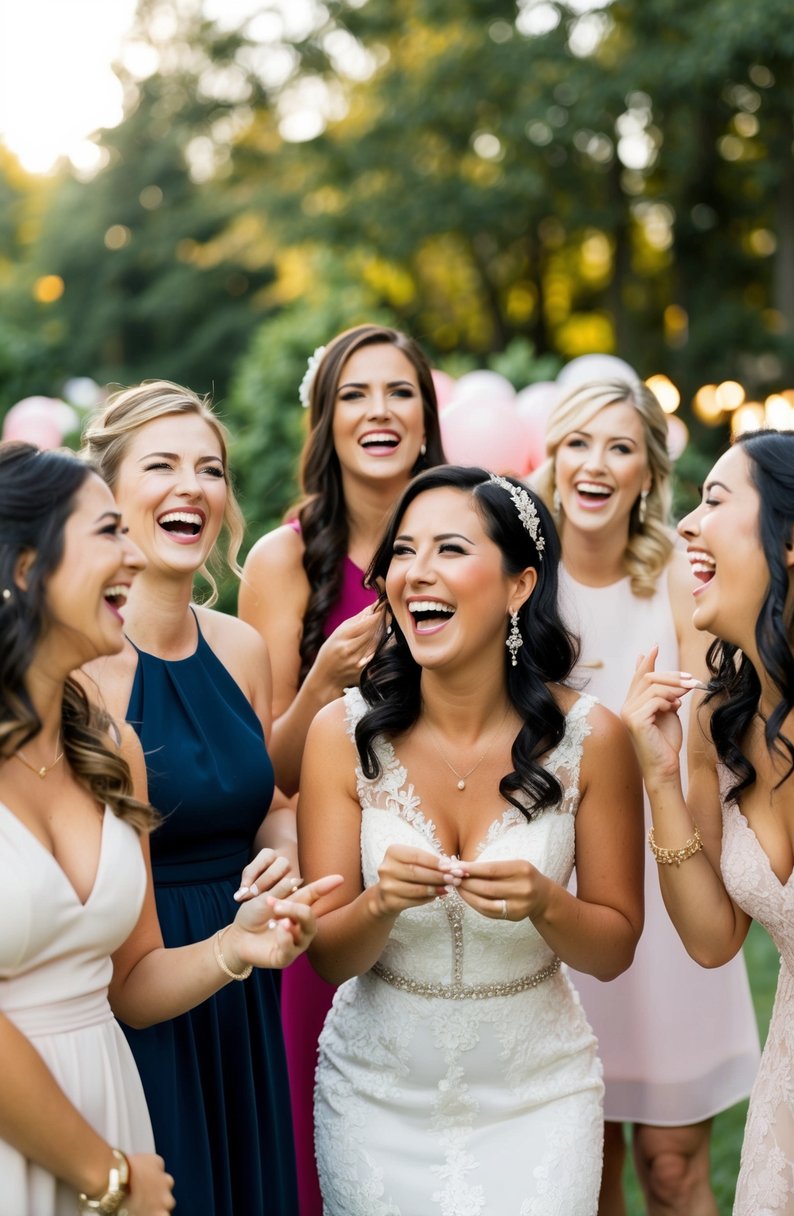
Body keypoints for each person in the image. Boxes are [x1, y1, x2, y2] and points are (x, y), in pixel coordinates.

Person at [0, 441, 337, 1216]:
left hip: (117, 1108)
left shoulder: (111, 749)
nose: (131, 555)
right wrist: (103, 1173)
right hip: (55, 1145)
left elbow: (134, 984)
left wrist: (236, 946)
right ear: (24, 568)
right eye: (106, 533)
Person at [299, 464, 645, 1215]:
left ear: (519, 586)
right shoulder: (340, 733)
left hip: (538, 1097)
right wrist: (378, 905)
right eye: (403, 551)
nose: (414, 572)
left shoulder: (593, 739)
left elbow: (614, 949)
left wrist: (548, 903)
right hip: (374, 1098)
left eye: (449, 549)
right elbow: (327, 956)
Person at [531, 379, 759, 1215]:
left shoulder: (675, 573)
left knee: (670, 1167)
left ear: (648, 473)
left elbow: (708, 736)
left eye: (620, 447)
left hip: (668, 886)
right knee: (580, 1168)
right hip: (565, 887)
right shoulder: (521, 574)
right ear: (550, 459)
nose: (596, 465)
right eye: (579, 443)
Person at [239, 323, 446, 1215]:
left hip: (442, 873)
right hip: (328, 879)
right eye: (354, 394)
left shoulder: (465, 542)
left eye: (399, 391)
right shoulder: (283, 561)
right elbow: (267, 772)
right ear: (324, 419)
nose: (379, 411)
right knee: (323, 1161)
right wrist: (325, 677)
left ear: (426, 415)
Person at [622, 428, 794, 1215]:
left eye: (713, 501)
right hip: (791, 1103)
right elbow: (712, 941)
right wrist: (657, 775)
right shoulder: (717, 720)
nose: (683, 526)